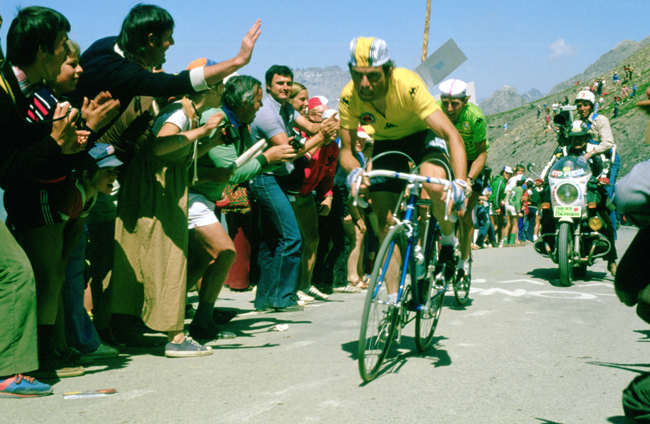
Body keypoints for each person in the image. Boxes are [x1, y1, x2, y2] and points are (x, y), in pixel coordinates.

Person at [69, 4, 261, 345]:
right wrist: (237, 61)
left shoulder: (109, 49)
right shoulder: (126, 71)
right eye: (167, 39)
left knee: (109, 260)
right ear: (151, 39)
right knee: (101, 261)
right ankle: (97, 337)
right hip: (96, 174)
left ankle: (107, 331)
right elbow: (163, 138)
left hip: (111, 176)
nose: (171, 46)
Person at [110, 57, 226, 357]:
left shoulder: (188, 113)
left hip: (153, 190)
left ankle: (126, 328)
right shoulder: (180, 113)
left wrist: (209, 140)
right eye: (220, 86)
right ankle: (175, 338)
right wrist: (203, 133)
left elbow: (178, 152)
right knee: (170, 258)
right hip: (156, 192)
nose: (223, 91)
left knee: (140, 258)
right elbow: (161, 145)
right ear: (208, 89)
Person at [338, 37, 468, 303]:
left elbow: (451, 134)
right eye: (357, 75)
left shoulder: (407, 84)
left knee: (435, 187)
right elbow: (347, 151)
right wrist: (355, 172)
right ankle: (393, 299)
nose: (364, 84)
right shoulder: (349, 96)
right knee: (385, 224)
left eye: (373, 76)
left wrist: (461, 183)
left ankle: (446, 239)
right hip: (387, 143)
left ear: (388, 71)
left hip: (422, 136)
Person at [187, 74, 297, 336]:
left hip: (205, 197)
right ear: (245, 101)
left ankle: (183, 311)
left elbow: (253, 161)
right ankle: (199, 320)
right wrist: (269, 157)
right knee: (225, 251)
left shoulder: (238, 123)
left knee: (201, 258)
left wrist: (280, 155)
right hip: (192, 195)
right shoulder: (220, 121)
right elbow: (232, 173)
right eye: (258, 101)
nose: (260, 107)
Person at [248, 65, 338, 312]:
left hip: (276, 180)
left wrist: (327, 129)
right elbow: (288, 153)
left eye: (288, 83)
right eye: (280, 83)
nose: (285, 87)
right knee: (291, 237)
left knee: (271, 241)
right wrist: (323, 137)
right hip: (266, 179)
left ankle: (265, 300)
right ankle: (283, 297)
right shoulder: (267, 114)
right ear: (268, 86)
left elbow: (311, 129)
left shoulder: (286, 107)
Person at [438, 78, 488, 274]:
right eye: (445, 103)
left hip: (471, 164)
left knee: (463, 211)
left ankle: (464, 259)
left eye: (455, 104)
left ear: (465, 101)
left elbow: (482, 154)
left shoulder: (475, 117)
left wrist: (468, 180)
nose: (449, 108)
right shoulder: (436, 109)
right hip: (449, 162)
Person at [489, 166, 512, 247]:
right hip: (493, 204)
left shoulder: (502, 181)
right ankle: (490, 241)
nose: (508, 175)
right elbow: (496, 195)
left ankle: (495, 241)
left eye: (510, 174)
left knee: (496, 224)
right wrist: (496, 207)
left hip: (495, 204)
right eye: (507, 173)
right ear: (503, 172)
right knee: (493, 224)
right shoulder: (500, 182)